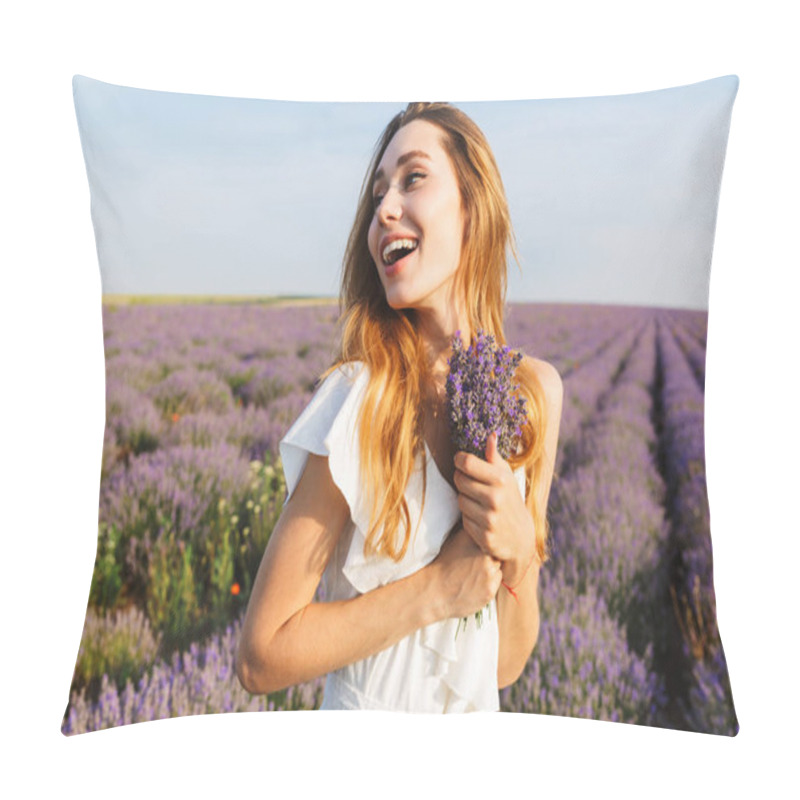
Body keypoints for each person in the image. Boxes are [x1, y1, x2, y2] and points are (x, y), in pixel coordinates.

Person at [235, 102, 562, 712]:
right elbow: (261, 654)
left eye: (413, 178)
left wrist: (519, 556)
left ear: (473, 204)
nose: (384, 209)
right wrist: (437, 589)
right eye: (377, 194)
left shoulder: (534, 396)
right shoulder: (362, 399)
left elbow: (506, 664)